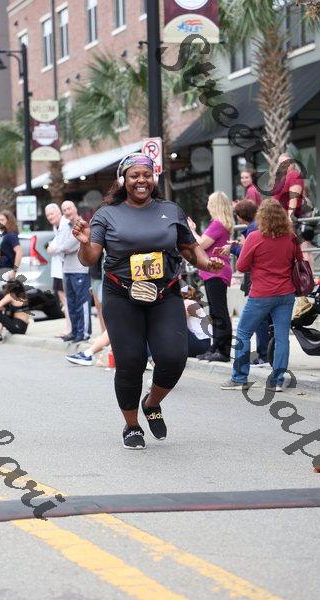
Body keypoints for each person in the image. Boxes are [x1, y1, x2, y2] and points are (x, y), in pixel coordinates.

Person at [72, 152, 223, 449]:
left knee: (174, 357)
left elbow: (189, 248)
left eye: (146, 175)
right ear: (123, 180)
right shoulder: (107, 214)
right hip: (121, 295)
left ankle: (151, 403)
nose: (141, 180)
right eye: (134, 176)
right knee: (131, 361)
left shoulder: (170, 210)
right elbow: (90, 258)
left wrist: (208, 263)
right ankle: (131, 426)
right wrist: (85, 243)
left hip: (165, 294)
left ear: (153, 178)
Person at [221, 199, 297, 392]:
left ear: (261, 216)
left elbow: (241, 266)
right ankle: (277, 381)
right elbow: (297, 261)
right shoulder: (291, 237)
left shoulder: (255, 237)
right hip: (286, 292)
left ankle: (239, 378)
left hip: (262, 293)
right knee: (282, 337)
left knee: (243, 333)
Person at [215, 199, 270, 367]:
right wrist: (237, 245)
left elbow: (248, 255)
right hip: (269, 281)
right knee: (269, 321)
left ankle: (263, 355)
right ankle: (268, 355)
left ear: (240, 215)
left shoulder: (253, 229)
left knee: (257, 322)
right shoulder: (259, 226)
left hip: (258, 280)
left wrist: (233, 248)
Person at [188, 191, 234, 362]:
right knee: (215, 311)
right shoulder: (220, 224)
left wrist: (192, 230)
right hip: (214, 270)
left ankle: (223, 351)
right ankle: (216, 347)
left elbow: (200, 244)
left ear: (215, 205)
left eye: (209, 201)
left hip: (216, 271)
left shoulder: (217, 224)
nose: (207, 204)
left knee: (219, 311)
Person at [56, 200, 91, 343]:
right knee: (71, 303)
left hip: (80, 269)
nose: (67, 212)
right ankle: (75, 331)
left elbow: (66, 246)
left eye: (69, 208)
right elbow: (59, 245)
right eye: (64, 210)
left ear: (75, 208)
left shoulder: (81, 224)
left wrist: (63, 247)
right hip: (67, 269)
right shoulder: (65, 227)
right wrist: (63, 247)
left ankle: (84, 333)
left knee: (82, 302)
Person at [45, 203, 71, 337]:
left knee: (67, 299)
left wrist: (51, 248)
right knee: (63, 299)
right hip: (58, 270)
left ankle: (71, 328)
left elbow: (60, 247)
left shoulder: (65, 225)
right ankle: (69, 327)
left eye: (52, 213)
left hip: (64, 269)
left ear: (59, 212)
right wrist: (51, 248)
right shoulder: (56, 226)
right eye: (48, 215)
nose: (50, 217)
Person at [181, 284, 211, 358]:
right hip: (203, 344)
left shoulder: (188, 303)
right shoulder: (193, 303)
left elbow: (179, 321)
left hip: (199, 343)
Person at [273, 153, 304, 221]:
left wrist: (290, 219)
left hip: (287, 220)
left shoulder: (294, 175)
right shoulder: (282, 179)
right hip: (279, 219)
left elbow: (293, 199)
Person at [0, 210, 23, 280]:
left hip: (8, 271)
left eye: (2, 220)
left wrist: (14, 271)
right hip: (2, 271)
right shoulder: (4, 235)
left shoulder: (11, 235)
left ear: (9, 221)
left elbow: (19, 252)